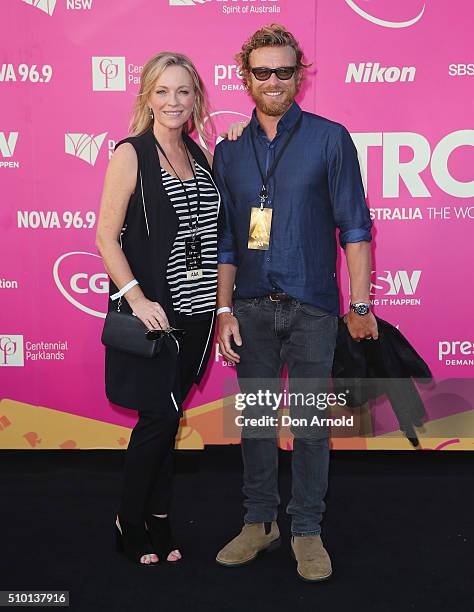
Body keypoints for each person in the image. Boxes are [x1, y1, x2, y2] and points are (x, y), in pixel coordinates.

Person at [214, 24, 378, 582]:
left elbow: (354, 227)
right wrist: (223, 310)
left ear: (299, 75)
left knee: (309, 425)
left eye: (285, 70)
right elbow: (228, 238)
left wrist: (359, 306)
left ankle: (307, 527)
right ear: (246, 77)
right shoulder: (228, 149)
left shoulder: (330, 138)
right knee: (257, 422)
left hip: (312, 305)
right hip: (252, 307)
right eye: (262, 71)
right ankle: (260, 522)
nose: (274, 81)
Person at [96, 52, 219, 566]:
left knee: (169, 420)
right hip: (157, 315)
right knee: (158, 419)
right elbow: (105, 236)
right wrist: (138, 298)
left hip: (199, 312)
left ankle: (160, 518)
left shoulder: (199, 154)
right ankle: (130, 517)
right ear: (147, 95)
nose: (173, 101)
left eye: (183, 92)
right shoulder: (131, 153)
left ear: (196, 99)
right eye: (162, 91)